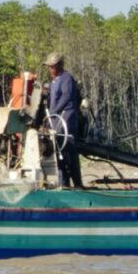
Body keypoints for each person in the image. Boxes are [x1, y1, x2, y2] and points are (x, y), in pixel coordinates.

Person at [45, 52, 85, 188]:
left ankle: (78, 185)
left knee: (68, 151)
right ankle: (65, 184)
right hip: (56, 119)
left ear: (60, 66)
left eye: (53, 67)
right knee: (59, 153)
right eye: (49, 67)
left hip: (67, 118)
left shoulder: (66, 78)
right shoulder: (54, 81)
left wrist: (54, 112)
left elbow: (66, 96)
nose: (50, 69)